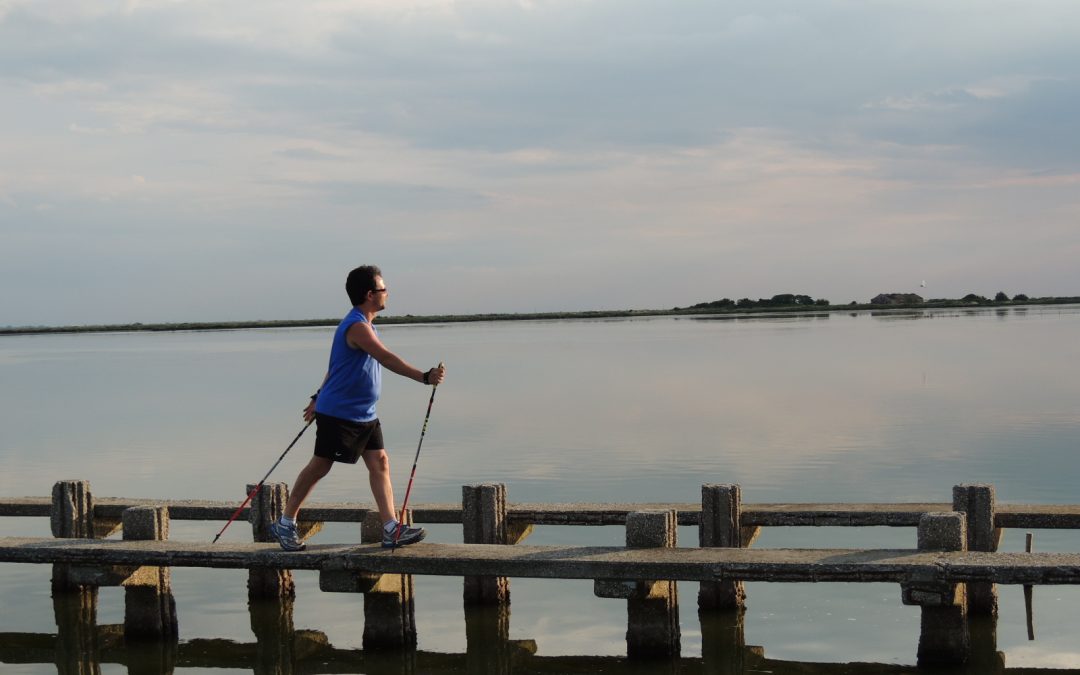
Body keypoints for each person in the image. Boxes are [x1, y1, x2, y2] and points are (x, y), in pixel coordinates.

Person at [269, 265, 446, 551]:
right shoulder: (357, 327)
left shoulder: (366, 324)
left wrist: (316, 395)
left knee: (380, 462)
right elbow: (386, 358)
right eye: (383, 288)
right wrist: (424, 377)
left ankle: (391, 528)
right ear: (369, 294)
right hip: (339, 414)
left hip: (364, 413)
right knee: (320, 466)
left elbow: (335, 368)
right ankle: (286, 523)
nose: (387, 292)